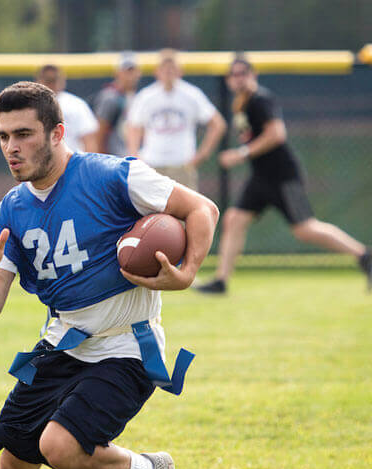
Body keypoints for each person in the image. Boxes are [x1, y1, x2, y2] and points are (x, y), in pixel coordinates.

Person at [0, 81, 218, 469]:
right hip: (62, 341)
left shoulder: (110, 176)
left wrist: (186, 274)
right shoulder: (11, 209)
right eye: (3, 137)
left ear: (58, 132)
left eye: (23, 133)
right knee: (14, 465)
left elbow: (201, 209)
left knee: (59, 448)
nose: (12, 147)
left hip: (127, 345)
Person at [198, 56, 372, 294]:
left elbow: (277, 134)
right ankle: (221, 281)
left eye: (243, 73)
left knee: (305, 229)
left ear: (253, 75)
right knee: (234, 219)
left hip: (281, 176)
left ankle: (364, 255)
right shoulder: (243, 104)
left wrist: (241, 154)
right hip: (261, 177)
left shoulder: (260, 99)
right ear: (228, 80)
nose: (238, 78)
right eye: (233, 75)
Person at [126, 48, 227, 190]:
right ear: (157, 71)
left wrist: (202, 155)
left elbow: (217, 124)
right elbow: (133, 127)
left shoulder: (191, 94)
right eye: (165, 68)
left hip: (181, 164)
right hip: (153, 164)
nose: (168, 73)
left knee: (186, 210)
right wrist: (135, 155)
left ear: (180, 71)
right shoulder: (146, 96)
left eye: (172, 68)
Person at [36, 64, 98, 152]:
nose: (51, 84)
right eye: (47, 80)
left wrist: (89, 164)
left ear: (62, 81)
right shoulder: (31, 105)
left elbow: (89, 139)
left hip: (71, 160)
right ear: (39, 81)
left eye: (54, 80)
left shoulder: (75, 104)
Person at [92, 51, 142, 156]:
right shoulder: (110, 97)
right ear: (118, 73)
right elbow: (99, 133)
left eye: (132, 71)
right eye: (126, 71)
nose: (130, 76)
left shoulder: (139, 97)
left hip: (133, 157)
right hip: (115, 158)